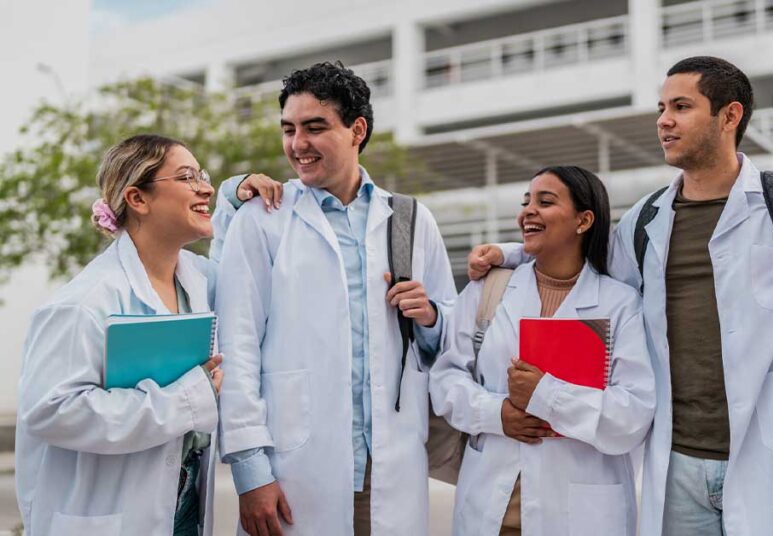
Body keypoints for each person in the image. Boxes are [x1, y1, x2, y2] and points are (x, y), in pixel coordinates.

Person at [467, 56, 773, 536]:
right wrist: (512, 253)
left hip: (769, 452)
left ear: (730, 116)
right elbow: (587, 270)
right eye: (662, 108)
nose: (664, 121)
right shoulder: (645, 220)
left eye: (681, 107)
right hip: (677, 460)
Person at [214, 61, 457, 536]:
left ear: (356, 130)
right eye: (288, 129)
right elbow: (237, 346)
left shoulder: (409, 220)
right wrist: (250, 470)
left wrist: (429, 317)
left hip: (389, 467)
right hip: (294, 470)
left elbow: (450, 341)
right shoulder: (262, 218)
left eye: (314, 127)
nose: (297, 144)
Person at [15, 134, 279, 536]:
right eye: (187, 177)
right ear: (138, 199)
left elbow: (240, 276)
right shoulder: (84, 302)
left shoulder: (198, 279)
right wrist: (186, 400)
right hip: (109, 520)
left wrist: (234, 198)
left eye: (203, 176)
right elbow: (50, 411)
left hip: (183, 511)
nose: (205, 188)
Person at [431, 165, 655, 535]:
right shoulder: (488, 290)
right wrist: (496, 414)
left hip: (580, 516)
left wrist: (546, 396)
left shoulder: (620, 304)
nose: (528, 211)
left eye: (545, 202)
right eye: (526, 202)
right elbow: (445, 380)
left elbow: (633, 415)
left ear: (583, 220)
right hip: (492, 512)